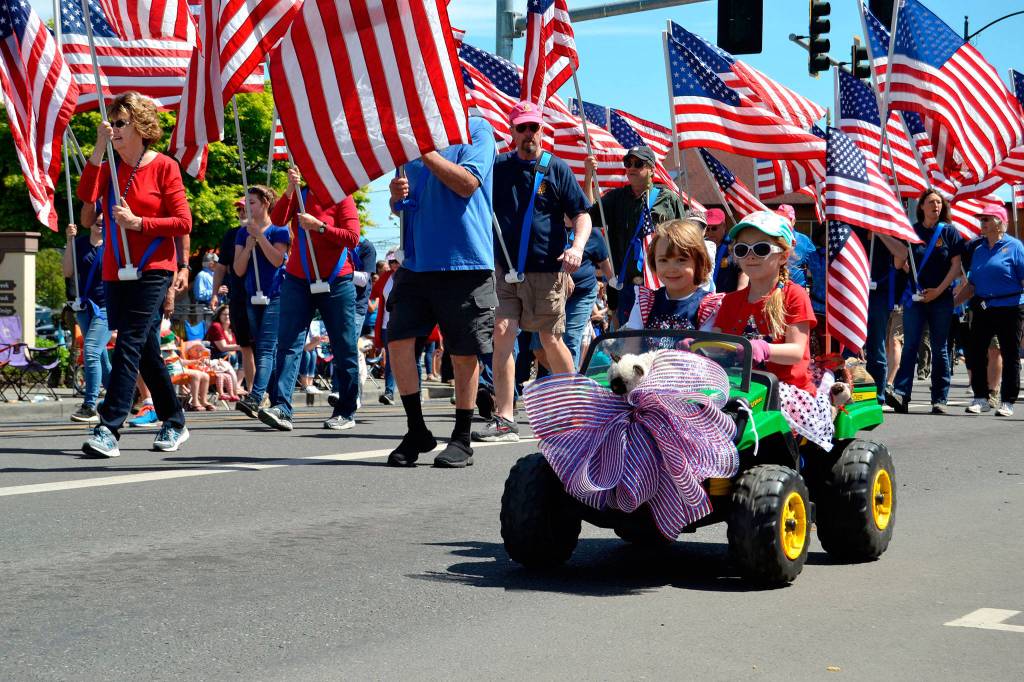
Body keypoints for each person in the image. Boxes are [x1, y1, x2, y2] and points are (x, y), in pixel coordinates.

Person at [77, 91, 192, 458]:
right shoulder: (111, 166)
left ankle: (109, 426)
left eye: (121, 123)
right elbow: (85, 202)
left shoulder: (164, 166)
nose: (114, 129)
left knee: (127, 342)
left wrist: (138, 223)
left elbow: (183, 222)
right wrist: (98, 146)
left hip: (154, 269)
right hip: (116, 269)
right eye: (112, 123)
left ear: (141, 127)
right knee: (144, 351)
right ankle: (174, 418)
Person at [475, 101, 591, 444]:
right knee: (502, 330)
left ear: (542, 130)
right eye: (521, 128)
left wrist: (577, 248)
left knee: (549, 339)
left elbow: (581, 213)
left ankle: (575, 411)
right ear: (511, 133)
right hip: (507, 269)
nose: (528, 134)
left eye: (533, 128)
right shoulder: (497, 168)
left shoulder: (555, 168)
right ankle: (505, 416)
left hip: (547, 270)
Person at [385, 114, 497, 467]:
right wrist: (394, 198)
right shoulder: (415, 137)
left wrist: (427, 153)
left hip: (465, 262)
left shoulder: (476, 129)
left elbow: (466, 184)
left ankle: (462, 439)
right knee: (398, 340)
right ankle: (416, 430)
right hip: (417, 263)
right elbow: (408, 204)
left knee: (463, 353)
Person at [712, 211, 835, 451]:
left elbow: (797, 351)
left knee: (755, 421)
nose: (750, 256)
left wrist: (763, 348)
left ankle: (791, 459)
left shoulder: (794, 295)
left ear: (783, 255)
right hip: (742, 385)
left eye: (760, 249)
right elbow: (718, 342)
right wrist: (700, 347)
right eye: (742, 250)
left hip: (784, 388)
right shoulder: (730, 301)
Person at [256, 167, 362, 432]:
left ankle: (346, 409)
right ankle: (282, 407)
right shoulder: (299, 194)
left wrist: (321, 227)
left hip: (337, 280)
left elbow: (352, 237)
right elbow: (278, 221)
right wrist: (290, 191)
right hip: (297, 279)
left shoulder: (341, 196)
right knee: (289, 342)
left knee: (344, 345)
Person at [583, 145, 688, 324]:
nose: (631, 167)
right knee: (628, 343)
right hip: (626, 286)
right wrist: (588, 177)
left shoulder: (668, 198)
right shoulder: (616, 198)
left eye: (638, 163)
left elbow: (686, 238)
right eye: (628, 163)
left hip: (660, 283)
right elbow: (589, 215)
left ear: (651, 170)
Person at [885, 189, 964, 414]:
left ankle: (939, 398)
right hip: (916, 298)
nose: (935, 206)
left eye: (939, 203)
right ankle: (901, 394)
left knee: (940, 348)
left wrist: (939, 291)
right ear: (921, 207)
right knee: (910, 345)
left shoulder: (949, 232)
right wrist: (898, 239)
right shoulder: (911, 231)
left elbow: (956, 267)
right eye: (931, 202)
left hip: (941, 298)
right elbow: (899, 265)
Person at [957, 203, 1024, 417]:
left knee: (1010, 353)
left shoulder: (1015, 247)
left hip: (1010, 307)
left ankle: (1008, 401)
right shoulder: (978, 250)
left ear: (999, 222)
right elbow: (972, 284)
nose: (982, 223)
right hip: (983, 307)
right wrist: (954, 302)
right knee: (976, 352)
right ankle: (981, 398)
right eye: (981, 219)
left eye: (986, 219)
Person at [233, 185, 290, 418]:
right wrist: (248, 246)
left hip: (275, 294)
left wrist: (260, 238)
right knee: (263, 350)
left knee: (266, 348)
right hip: (251, 294)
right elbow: (238, 269)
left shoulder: (279, 230)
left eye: (252, 202)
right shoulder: (242, 232)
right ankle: (277, 399)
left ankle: (256, 396)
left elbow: (278, 260)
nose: (248, 206)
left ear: (266, 203)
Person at [621, 219, 719, 333]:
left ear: (700, 262)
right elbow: (631, 347)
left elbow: (706, 348)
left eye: (681, 260)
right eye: (663, 260)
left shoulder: (709, 307)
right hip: (649, 352)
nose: (671, 268)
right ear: (654, 263)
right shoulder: (645, 303)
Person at [63, 204, 111, 423]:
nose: (99, 219)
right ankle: (120, 398)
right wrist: (70, 241)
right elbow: (68, 271)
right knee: (101, 358)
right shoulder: (80, 243)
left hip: (107, 307)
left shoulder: (114, 245)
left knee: (90, 350)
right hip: (85, 307)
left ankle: (90, 405)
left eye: (103, 216)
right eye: (96, 216)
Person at [214, 200, 255, 390]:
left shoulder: (270, 230)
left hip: (264, 295)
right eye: (239, 209)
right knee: (245, 345)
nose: (241, 212)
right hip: (238, 295)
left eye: (245, 208)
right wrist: (215, 292)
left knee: (264, 346)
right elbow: (221, 266)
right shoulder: (231, 234)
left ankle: (268, 392)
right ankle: (254, 390)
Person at [703, 207, 747, 293]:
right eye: (707, 229)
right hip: (705, 301)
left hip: (727, 299)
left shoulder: (734, 246)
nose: (710, 233)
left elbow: (743, 272)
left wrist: (739, 294)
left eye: (714, 228)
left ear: (724, 226)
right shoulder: (701, 246)